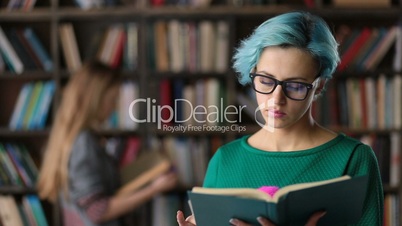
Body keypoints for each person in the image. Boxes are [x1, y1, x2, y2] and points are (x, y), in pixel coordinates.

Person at [177, 11, 383, 226]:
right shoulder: (225, 160)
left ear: (319, 84)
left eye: (295, 86)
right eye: (266, 81)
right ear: (253, 72)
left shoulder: (353, 158)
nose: (276, 99)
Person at [37, 60, 178, 226]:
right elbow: (97, 211)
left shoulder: (69, 137)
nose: (113, 107)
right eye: (112, 99)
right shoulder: (84, 143)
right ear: (95, 98)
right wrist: (153, 189)